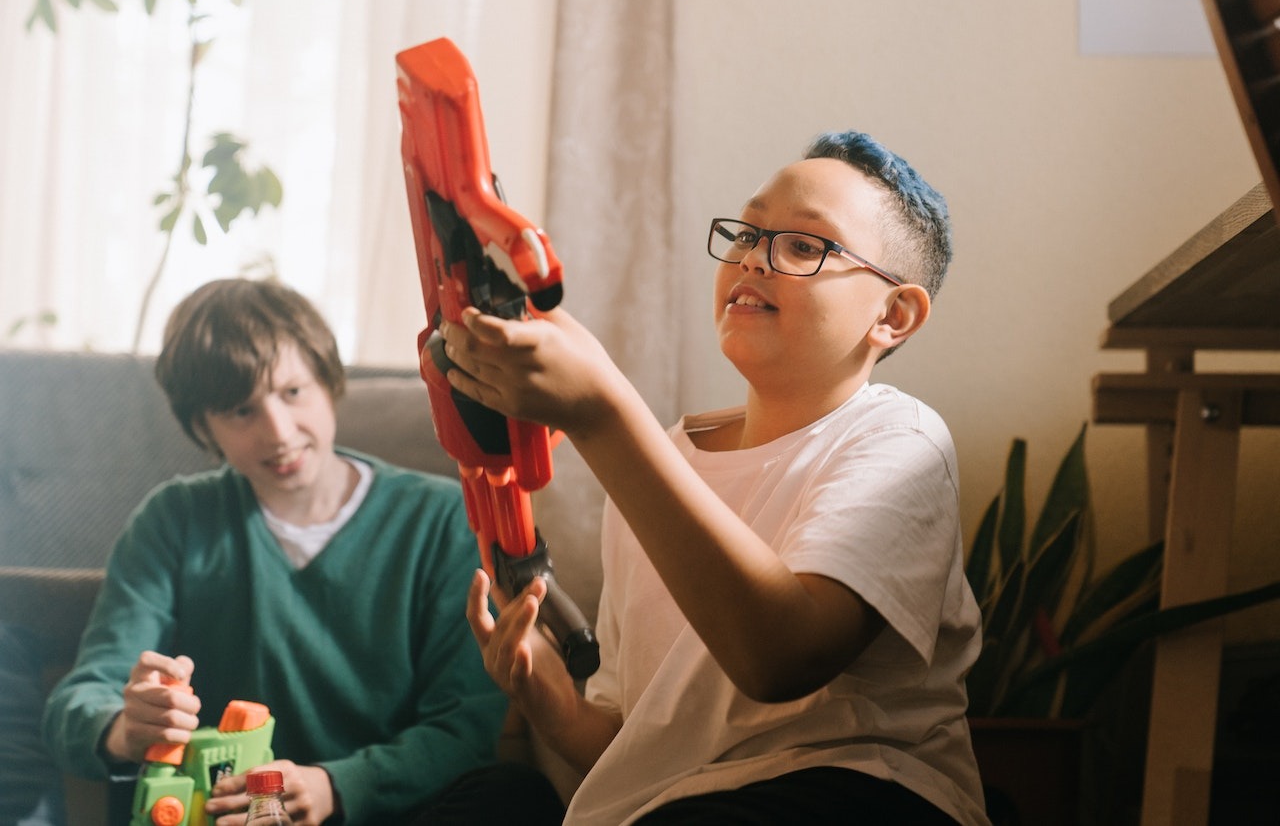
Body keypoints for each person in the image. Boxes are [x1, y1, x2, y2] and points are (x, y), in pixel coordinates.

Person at [442, 130, 991, 825]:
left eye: (802, 245)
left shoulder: (900, 441)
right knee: (491, 800)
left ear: (893, 314)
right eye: (748, 232)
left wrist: (604, 414)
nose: (754, 257)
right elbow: (641, 743)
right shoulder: (668, 454)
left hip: (855, 792)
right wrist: (556, 705)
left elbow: (779, 658)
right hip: (676, 807)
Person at [41, 279, 511, 825]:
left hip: (393, 809)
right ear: (202, 427)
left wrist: (335, 785)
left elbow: (464, 727)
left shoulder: (442, 520)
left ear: (329, 381)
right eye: (242, 411)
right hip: (226, 812)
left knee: (514, 795)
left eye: (293, 393)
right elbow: (79, 700)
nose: (279, 432)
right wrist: (124, 726)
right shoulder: (173, 520)